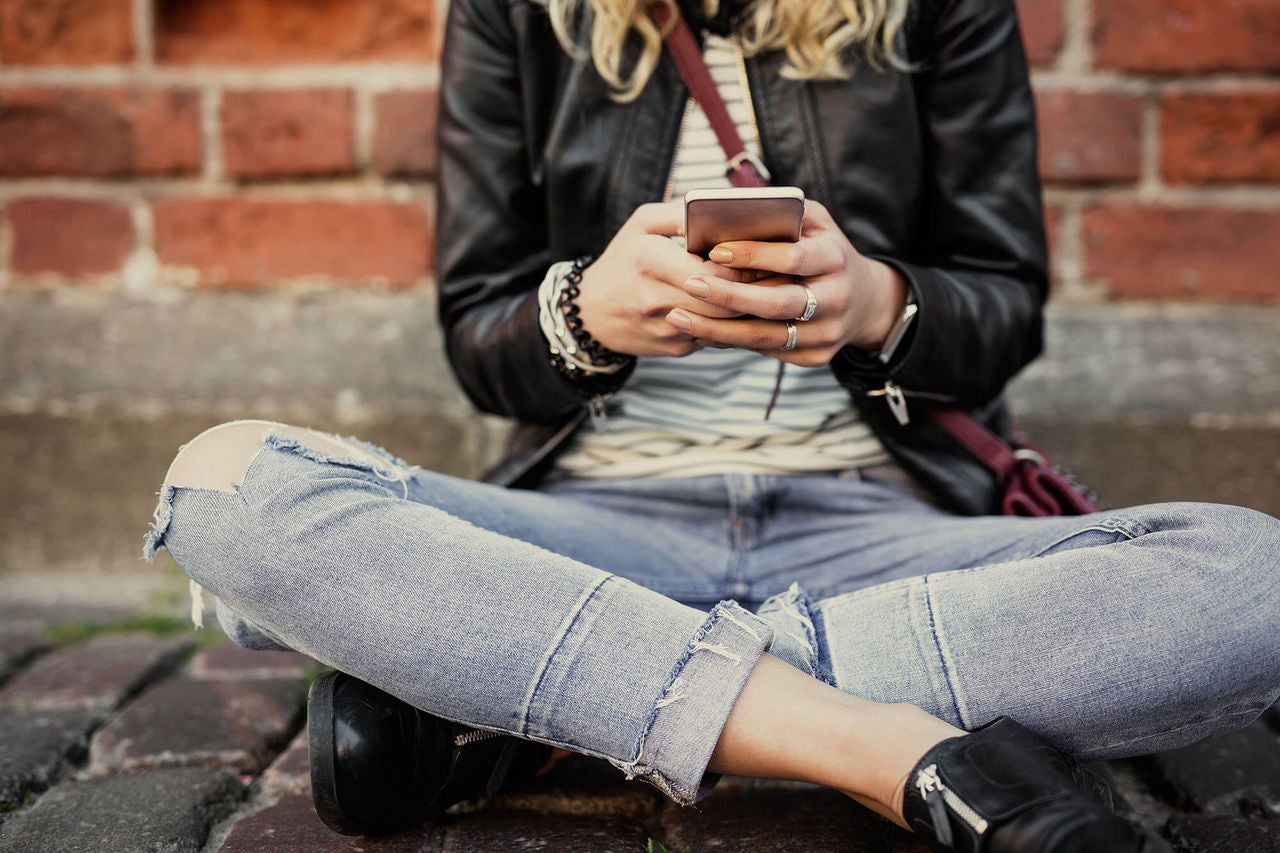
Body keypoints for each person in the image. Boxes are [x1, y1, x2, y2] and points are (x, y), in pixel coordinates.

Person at [144, 0, 1279, 850]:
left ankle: (537, 699)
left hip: (877, 525)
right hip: (596, 524)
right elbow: (476, 336)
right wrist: (586, 311)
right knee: (226, 484)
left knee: (1253, 576)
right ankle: (878, 748)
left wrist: (873, 303)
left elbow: (1002, 302)